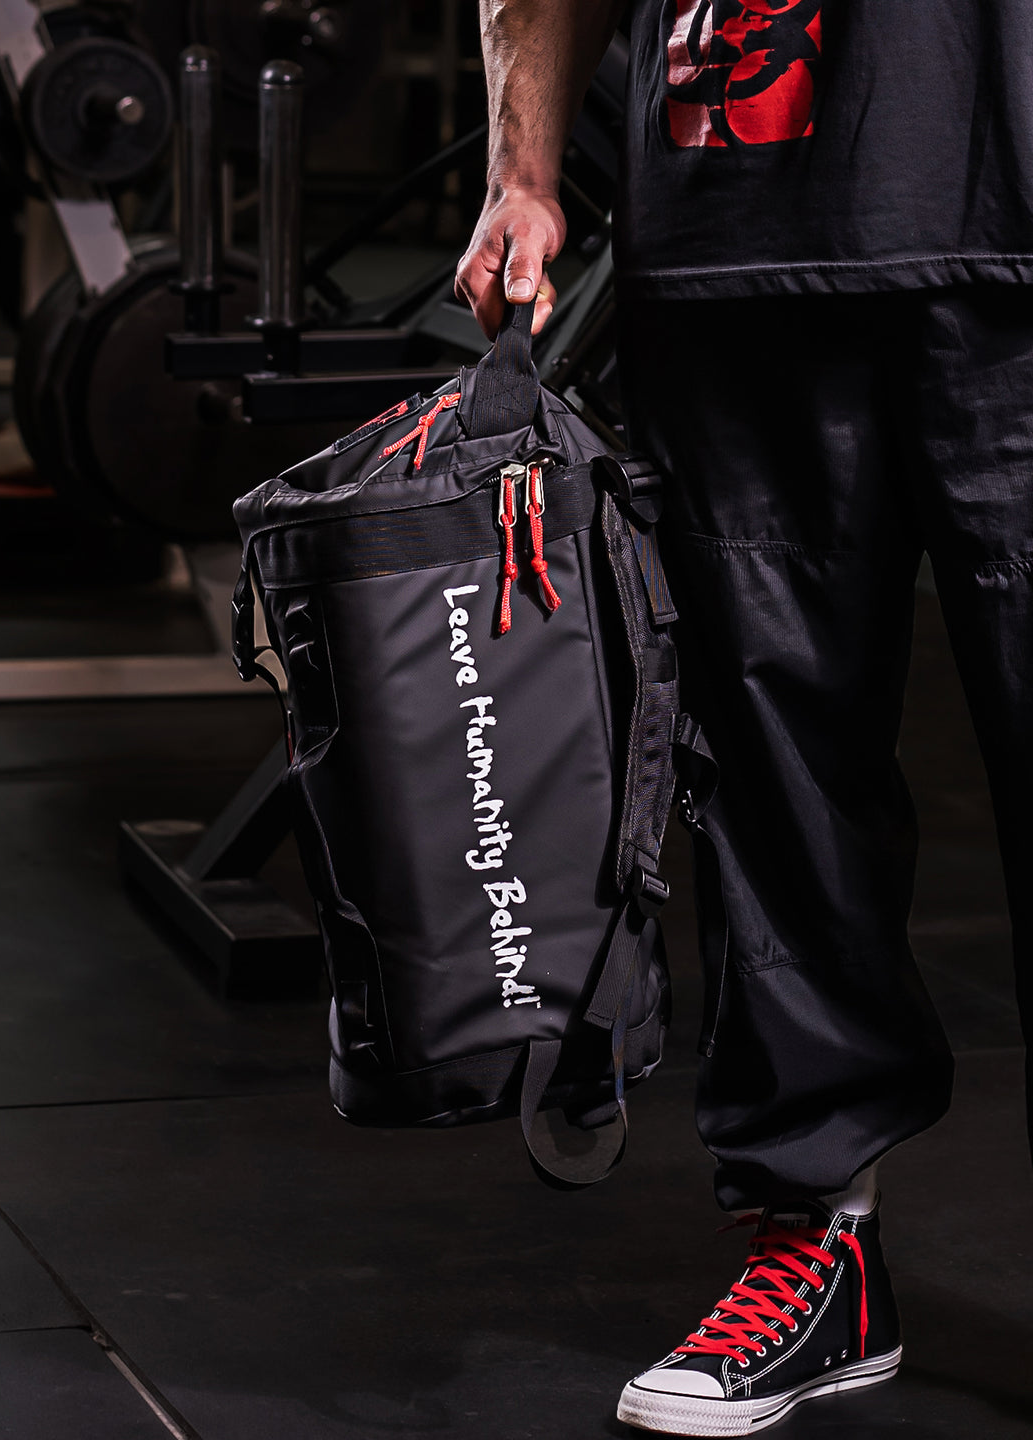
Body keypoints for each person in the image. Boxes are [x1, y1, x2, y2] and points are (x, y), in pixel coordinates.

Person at [455, 2, 1033, 1435]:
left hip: (1015, 214)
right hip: (731, 230)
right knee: (770, 778)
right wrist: (522, 170)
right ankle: (814, 1247)